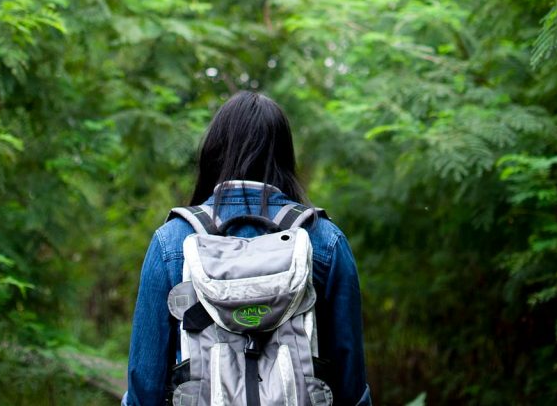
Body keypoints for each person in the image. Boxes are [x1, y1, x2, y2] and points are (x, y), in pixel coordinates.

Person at [122, 91, 372, 406]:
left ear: (214, 152)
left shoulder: (172, 241)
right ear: (284, 155)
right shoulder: (324, 240)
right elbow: (351, 386)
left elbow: (145, 386)